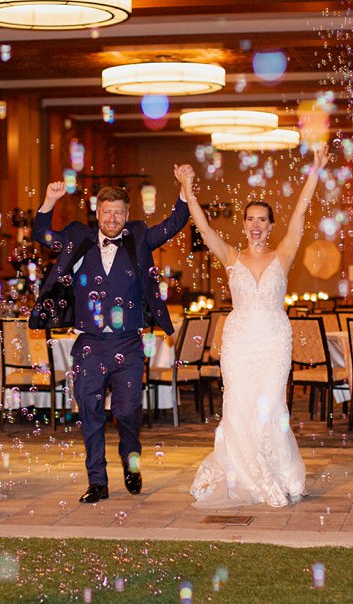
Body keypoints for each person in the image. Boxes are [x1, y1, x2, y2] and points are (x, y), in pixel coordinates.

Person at [30, 168, 193, 504]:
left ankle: (130, 460)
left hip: (129, 344)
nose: (113, 218)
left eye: (119, 212)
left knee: (130, 410)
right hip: (88, 343)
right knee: (89, 414)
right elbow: (41, 233)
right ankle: (98, 482)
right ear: (98, 214)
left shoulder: (140, 239)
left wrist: (184, 185)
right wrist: (50, 200)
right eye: (107, 212)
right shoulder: (78, 239)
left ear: (127, 215)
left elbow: (176, 221)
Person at [186, 146, 328, 508]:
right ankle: (245, 472)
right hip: (239, 344)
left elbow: (299, 212)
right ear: (244, 223)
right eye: (250, 219)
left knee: (271, 407)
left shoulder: (283, 254)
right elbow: (201, 226)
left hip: (274, 342)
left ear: (270, 225)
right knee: (240, 407)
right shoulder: (231, 257)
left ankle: (279, 473)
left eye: (262, 219)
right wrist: (188, 189)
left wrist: (314, 170)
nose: (255, 225)